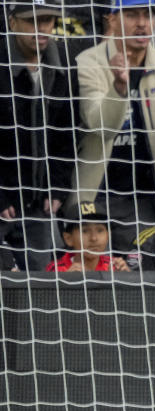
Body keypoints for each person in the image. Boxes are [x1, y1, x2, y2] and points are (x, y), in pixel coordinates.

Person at [75, 0, 155, 253]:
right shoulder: (87, 63)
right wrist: (119, 88)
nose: (142, 23)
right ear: (111, 20)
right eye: (132, 15)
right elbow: (101, 127)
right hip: (95, 193)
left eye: (147, 15)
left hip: (145, 197)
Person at [0, 0, 77, 271]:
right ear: (12, 22)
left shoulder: (64, 66)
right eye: (32, 21)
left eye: (47, 21)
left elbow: (67, 137)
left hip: (38, 204)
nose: (41, 28)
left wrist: (56, 188)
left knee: (41, 288)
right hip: (4, 195)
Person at [46, 200, 131, 273]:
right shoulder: (56, 270)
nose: (94, 238)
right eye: (85, 231)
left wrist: (126, 277)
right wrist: (67, 282)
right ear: (68, 239)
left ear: (108, 235)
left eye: (100, 230)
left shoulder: (114, 267)